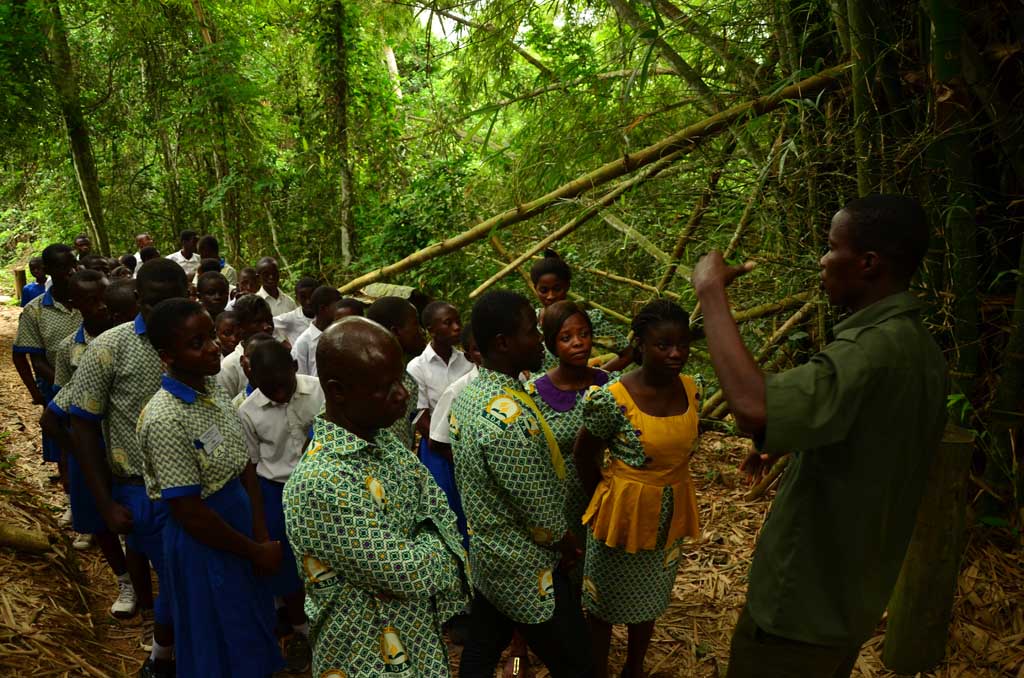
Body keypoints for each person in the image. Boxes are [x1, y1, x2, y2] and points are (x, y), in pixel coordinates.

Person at [691, 195, 948, 678]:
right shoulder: (917, 346)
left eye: (831, 248)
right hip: (848, 598)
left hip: (801, 609)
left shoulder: (870, 350)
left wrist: (710, 291)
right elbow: (873, 434)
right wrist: (792, 439)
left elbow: (752, 407)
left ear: (868, 263)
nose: (823, 261)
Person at [282, 317, 470, 676]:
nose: (402, 394)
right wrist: (437, 546)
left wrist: (426, 542)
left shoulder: (386, 444)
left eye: (400, 379)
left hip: (419, 645)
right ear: (338, 391)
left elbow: (441, 513)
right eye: (385, 387)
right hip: (364, 660)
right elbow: (411, 573)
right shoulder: (321, 482)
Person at [137, 298, 284, 678]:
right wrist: (251, 548)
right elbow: (188, 511)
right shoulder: (165, 417)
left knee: (249, 621)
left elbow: (244, 465)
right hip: (204, 541)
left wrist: (260, 532)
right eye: (197, 342)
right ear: (167, 355)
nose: (213, 348)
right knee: (216, 636)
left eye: (210, 337)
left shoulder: (213, 389)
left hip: (240, 524)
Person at [451, 290, 592, 678]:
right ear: (503, 343)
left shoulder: (471, 395)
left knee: (482, 645)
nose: (540, 340)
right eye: (532, 331)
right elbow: (540, 509)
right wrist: (566, 544)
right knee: (579, 662)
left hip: (490, 555)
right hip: (527, 568)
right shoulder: (509, 419)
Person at [67, 259, 188, 678]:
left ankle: (168, 656)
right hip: (141, 488)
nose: (165, 311)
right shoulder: (110, 347)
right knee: (175, 577)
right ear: (138, 300)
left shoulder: (195, 337)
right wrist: (104, 501)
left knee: (186, 577)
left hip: (197, 489)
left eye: (175, 300)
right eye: (155, 303)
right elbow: (80, 423)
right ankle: (163, 659)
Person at [575, 299, 701, 678]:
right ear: (641, 346)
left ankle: (634, 668)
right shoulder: (613, 397)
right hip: (621, 515)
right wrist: (611, 496)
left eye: (682, 345)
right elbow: (585, 454)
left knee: (650, 599)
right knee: (604, 605)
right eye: (664, 345)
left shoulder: (693, 389)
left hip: (669, 510)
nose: (676, 353)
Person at [41, 270, 136, 617]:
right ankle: (124, 578)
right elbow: (63, 403)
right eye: (92, 301)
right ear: (74, 305)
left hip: (125, 442)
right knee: (99, 517)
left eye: (105, 299)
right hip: (90, 443)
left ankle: (144, 577)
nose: (102, 308)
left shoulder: (129, 340)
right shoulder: (69, 349)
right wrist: (76, 451)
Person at [238, 340, 324, 673]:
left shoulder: (317, 391)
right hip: (275, 490)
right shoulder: (247, 411)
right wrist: (260, 529)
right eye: (268, 389)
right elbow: (250, 468)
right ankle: (300, 630)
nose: (279, 394)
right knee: (287, 566)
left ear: (294, 366)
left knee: (322, 558)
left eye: (283, 386)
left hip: (318, 488)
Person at [531, 302, 610, 571]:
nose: (578, 343)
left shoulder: (609, 385)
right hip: (556, 503)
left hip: (600, 495)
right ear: (552, 344)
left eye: (584, 334)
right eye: (566, 338)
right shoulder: (534, 393)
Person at [407, 301, 474, 543]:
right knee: (447, 506)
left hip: (468, 441)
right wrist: (447, 448)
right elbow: (421, 415)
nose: (457, 328)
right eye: (448, 323)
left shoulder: (468, 360)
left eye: (458, 321)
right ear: (431, 329)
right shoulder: (417, 367)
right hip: (436, 447)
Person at [12, 244, 82, 474]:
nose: (71, 272)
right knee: (66, 448)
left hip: (99, 388)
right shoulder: (35, 311)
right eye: (63, 267)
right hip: (58, 389)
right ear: (49, 269)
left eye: (73, 265)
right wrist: (67, 386)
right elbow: (37, 361)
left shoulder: (89, 300)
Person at [531, 250, 632, 372]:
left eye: (557, 289)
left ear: (567, 286)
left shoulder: (585, 320)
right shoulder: (530, 322)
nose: (550, 296)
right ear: (535, 288)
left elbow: (628, 353)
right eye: (544, 290)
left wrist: (597, 378)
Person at [365, 297, 426, 451]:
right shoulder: (366, 383)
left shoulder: (408, 380)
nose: (422, 331)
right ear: (395, 332)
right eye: (415, 324)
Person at [218, 295, 275, 398]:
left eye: (269, 320)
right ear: (240, 327)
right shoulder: (229, 367)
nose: (267, 327)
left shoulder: (279, 354)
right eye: (258, 322)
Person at [291, 286, 342, 377]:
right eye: (337, 307)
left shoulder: (340, 334)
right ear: (323, 309)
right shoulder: (303, 343)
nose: (340, 311)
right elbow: (301, 377)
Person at [230, 333, 279, 409]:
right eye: (251, 357)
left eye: (266, 356)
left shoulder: (288, 395)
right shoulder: (237, 408)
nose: (257, 363)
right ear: (242, 361)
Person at [272, 277, 319, 345]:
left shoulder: (327, 314)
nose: (308, 301)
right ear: (297, 299)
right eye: (303, 297)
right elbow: (268, 324)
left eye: (311, 296)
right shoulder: (292, 318)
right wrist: (283, 342)